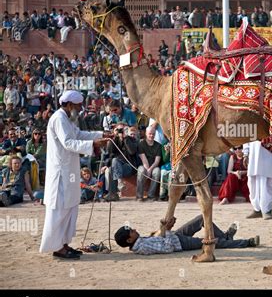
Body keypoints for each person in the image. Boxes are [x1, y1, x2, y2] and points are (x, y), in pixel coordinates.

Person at [39, 90, 108, 259]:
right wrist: (93, 144)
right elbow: (69, 143)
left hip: (69, 170)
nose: (80, 109)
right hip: (61, 173)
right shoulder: (59, 119)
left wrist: (101, 135)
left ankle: (64, 244)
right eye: (78, 106)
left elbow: (78, 135)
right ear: (70, 105)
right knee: (60, 210)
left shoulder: (68, 119)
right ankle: (57, 248)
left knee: (70, 208)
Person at [114, 215, 260, 254]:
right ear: (129, 239)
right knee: (212, 242)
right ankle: (246, 242)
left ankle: (227, 236)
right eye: (131, 231)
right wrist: (168, 230)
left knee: (201, 219)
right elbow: (167, 248)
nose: (134, 230)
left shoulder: (139, 242)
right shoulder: (142, 248)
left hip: (175, 236)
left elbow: (159, 238)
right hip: (180, 244)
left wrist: (165, 228)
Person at [244, 137, 272, 220]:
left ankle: (267, 210)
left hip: (271, 155)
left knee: (269, 182)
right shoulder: (253, 123)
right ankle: (257, 209)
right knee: (252, 182)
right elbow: (247, 135)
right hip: (254, 155)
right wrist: (246, 153)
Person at [105, 123, 138, 201]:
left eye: (122, 129)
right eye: (118, 129)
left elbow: (132, 152)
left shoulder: (131, 139)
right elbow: (110, 151)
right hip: (117, 167)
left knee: (114, 162)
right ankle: (113, 194)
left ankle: (116, 187)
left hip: (129, 167)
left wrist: (125, 138)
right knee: (111, 169)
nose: (120, 131)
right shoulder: (114, 140)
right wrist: (114, 137)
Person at [136, 127, 161, 201]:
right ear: (146, 134)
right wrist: (147, 169)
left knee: (157, 172)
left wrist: (150, 169)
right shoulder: (141, 144)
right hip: (144, 165)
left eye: (153, 134)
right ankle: (139, 195)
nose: (151, 135)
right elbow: (143, 159)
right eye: (150, 134)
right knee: (141, 171)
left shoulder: (158, 145)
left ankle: (151, 195)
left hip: (153, 166)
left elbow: (157, 161)